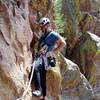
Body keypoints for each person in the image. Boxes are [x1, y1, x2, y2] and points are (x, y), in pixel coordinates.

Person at [32, 17, 66, 100]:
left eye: (42, 26)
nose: (41, 28)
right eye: (40, 27)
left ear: (47, 26)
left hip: (47, 58)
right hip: (42, 56)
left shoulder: (53, 34)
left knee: (35, 67)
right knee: (42, 75)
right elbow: (42, 46)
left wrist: (53, 51)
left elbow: (63, 43)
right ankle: (44, 96)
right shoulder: (43, 36)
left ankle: (37, 90)